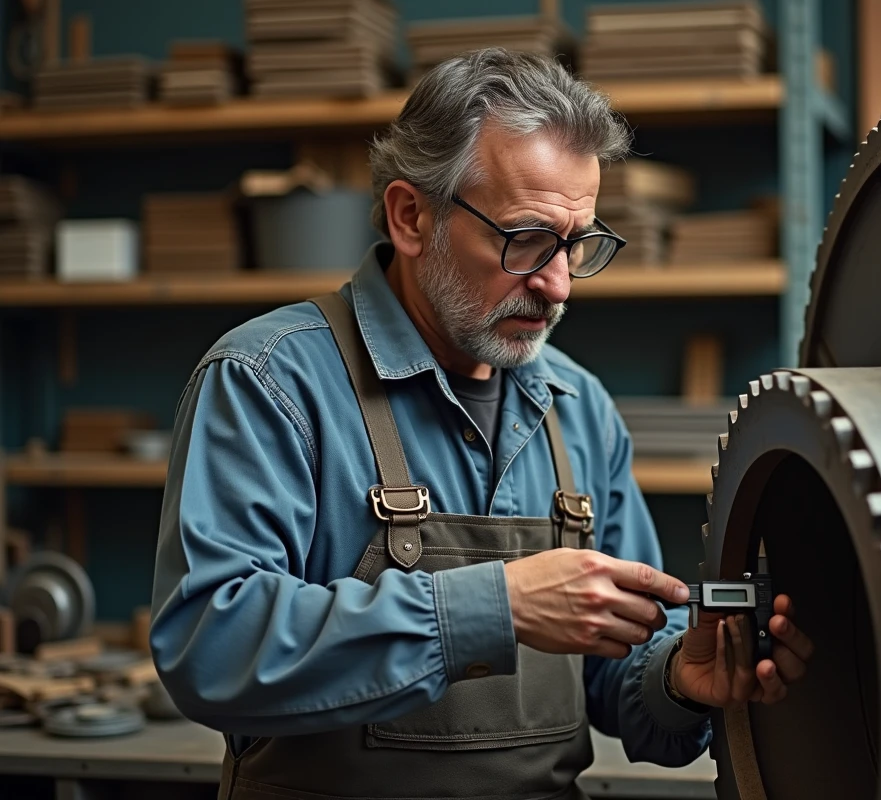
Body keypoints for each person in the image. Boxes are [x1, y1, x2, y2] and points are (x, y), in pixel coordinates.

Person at [149, 48, 814, 800]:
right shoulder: (269, 380)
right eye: (525, 239)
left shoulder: (578, 407)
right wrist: (497, 608)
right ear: (411, 217)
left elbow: (618, 684)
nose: (558, 285)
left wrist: (678, 680)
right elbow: (211, 650)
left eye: (578, 244)